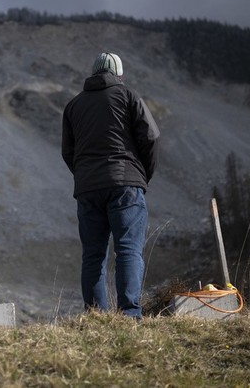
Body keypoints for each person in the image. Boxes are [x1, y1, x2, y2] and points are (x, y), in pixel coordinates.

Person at [61, 52, 160, 318]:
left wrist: (85, 176)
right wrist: (142, 174)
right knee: (127, 249)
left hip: (88, 188)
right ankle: (129, 314)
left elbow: (68, 152)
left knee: (93, 256)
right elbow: (150, 136)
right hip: (125, 184)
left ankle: (96, 316)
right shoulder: (128, 96)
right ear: (119, 75)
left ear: (93, 74)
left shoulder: (73, 106)